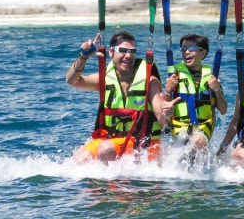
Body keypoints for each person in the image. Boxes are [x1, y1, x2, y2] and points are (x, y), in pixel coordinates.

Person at [66, 31, 179, 164]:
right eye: (123, 51)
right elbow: (72, 80)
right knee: (79, 159)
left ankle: (112, 185)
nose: (128, 55)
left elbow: (162, 120)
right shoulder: (105, 80)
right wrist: (83, 57)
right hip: (114, 141)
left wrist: (166, 111)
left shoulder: (150, 81)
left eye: (132, 51)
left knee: (105, 150)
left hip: (145, 146)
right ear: (111, 52)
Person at [164, 34, 227, 163]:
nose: (186, 52)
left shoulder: (211, 78)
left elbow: (223, 109)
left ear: (203, 53)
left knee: (198, 141)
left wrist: (216, 89)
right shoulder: (174, 76)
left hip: (203, 128)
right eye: (183, 49)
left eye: (191, 48)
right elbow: (163, 111)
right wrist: (168, 90)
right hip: (179, 128)